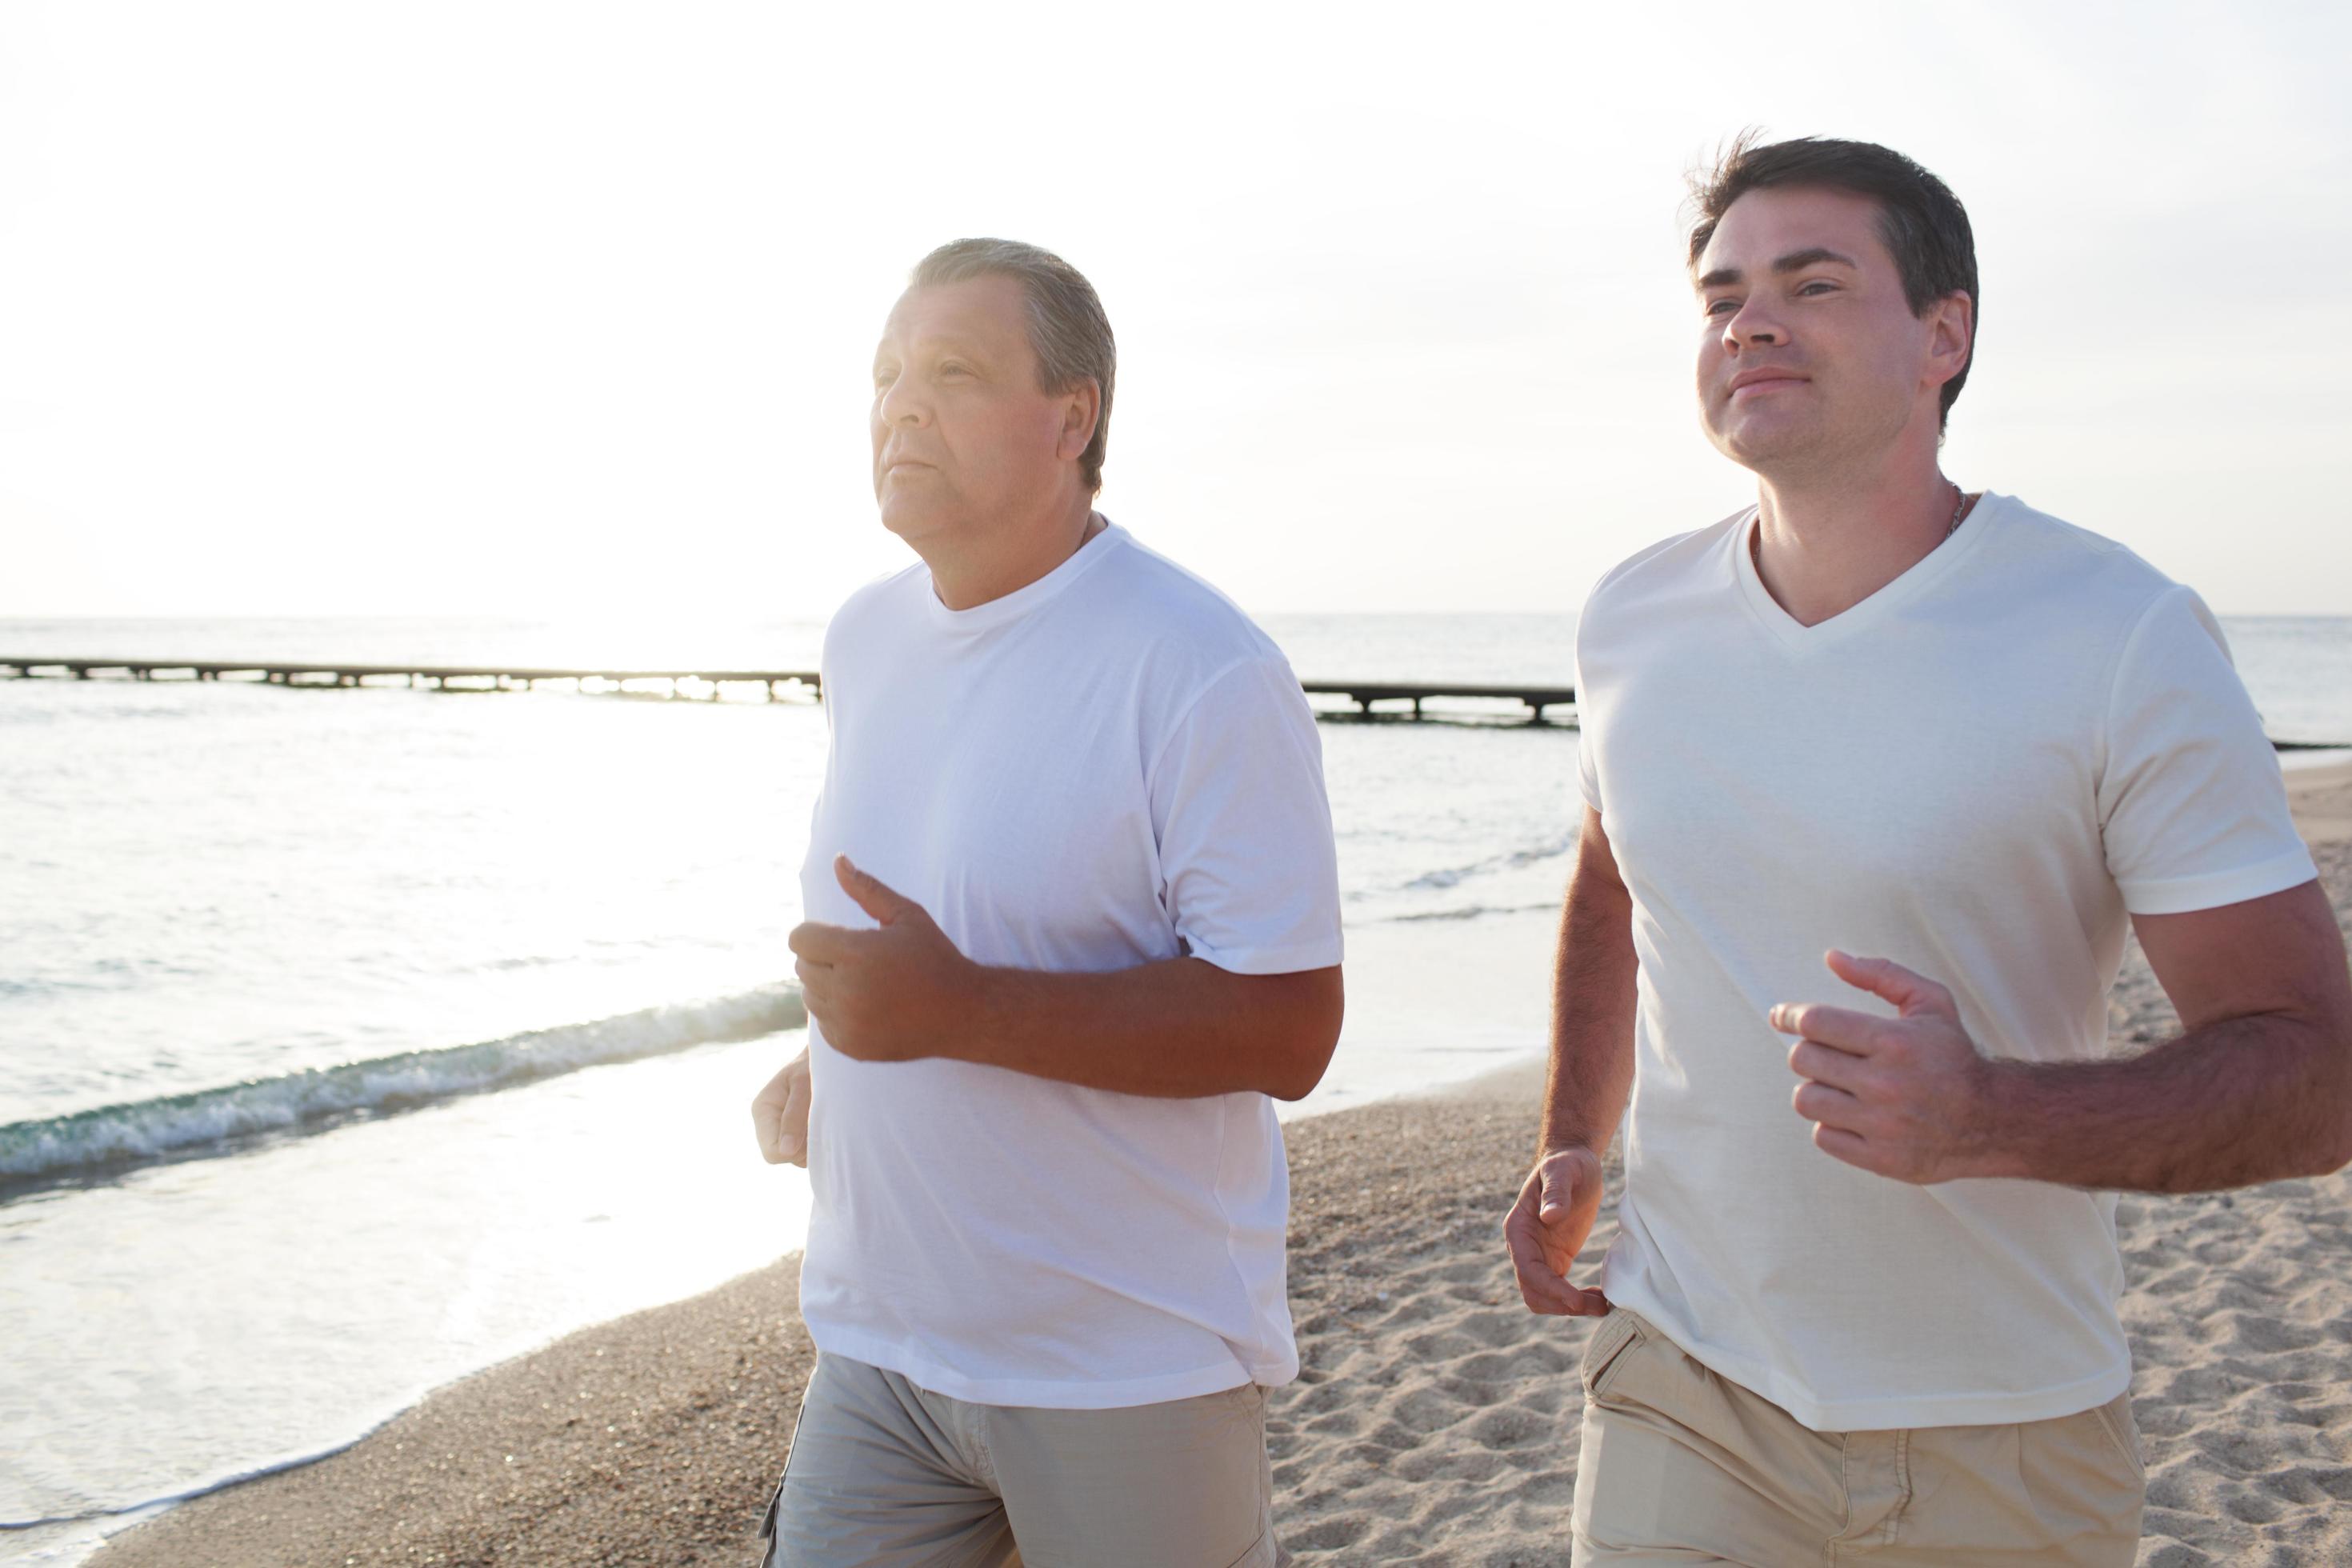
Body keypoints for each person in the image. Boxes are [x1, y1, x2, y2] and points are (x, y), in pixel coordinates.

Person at [1505, 135, 2352, 1563]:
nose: (1748, 321)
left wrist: (1991, 1118)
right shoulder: (1630, 619)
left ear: (1941, 337)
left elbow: (2318, 1071)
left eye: (1812, 282)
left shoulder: (2114, 633)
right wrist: (1576, 1133)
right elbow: (1616, 867)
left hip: (2004, 1427)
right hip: (1687, 1378)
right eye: (1721, 297)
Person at [748, 238, 1342, 1568]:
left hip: (1126, 1363)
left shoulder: (1199, 668)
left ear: (1071, 417)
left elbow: (1290, 1027)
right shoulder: (864, 639)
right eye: (887, 373)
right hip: (879, 1343)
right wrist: (830, 1054)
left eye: (953, 372)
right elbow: (954, 905)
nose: (901, 405)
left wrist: (952, 1012)